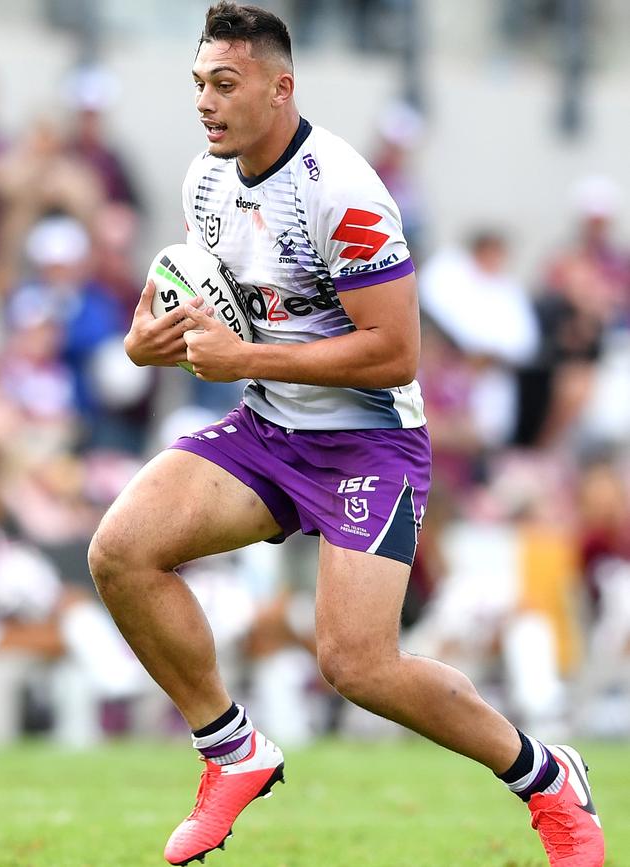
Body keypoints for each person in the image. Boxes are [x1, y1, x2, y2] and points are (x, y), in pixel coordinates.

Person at [88, 4, 605, 866]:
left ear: (279, 87)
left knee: (357, 664)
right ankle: (231, 748)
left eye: (225, 84)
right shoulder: (205, 182)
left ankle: (548, 775)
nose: (206, 104)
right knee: (120, 551)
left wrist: (246, 354)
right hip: (266, 429)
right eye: (198, 85)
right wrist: (151, 342)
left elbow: (396, 354)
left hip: (367, 445)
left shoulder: (345, 193)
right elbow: (200, 307)